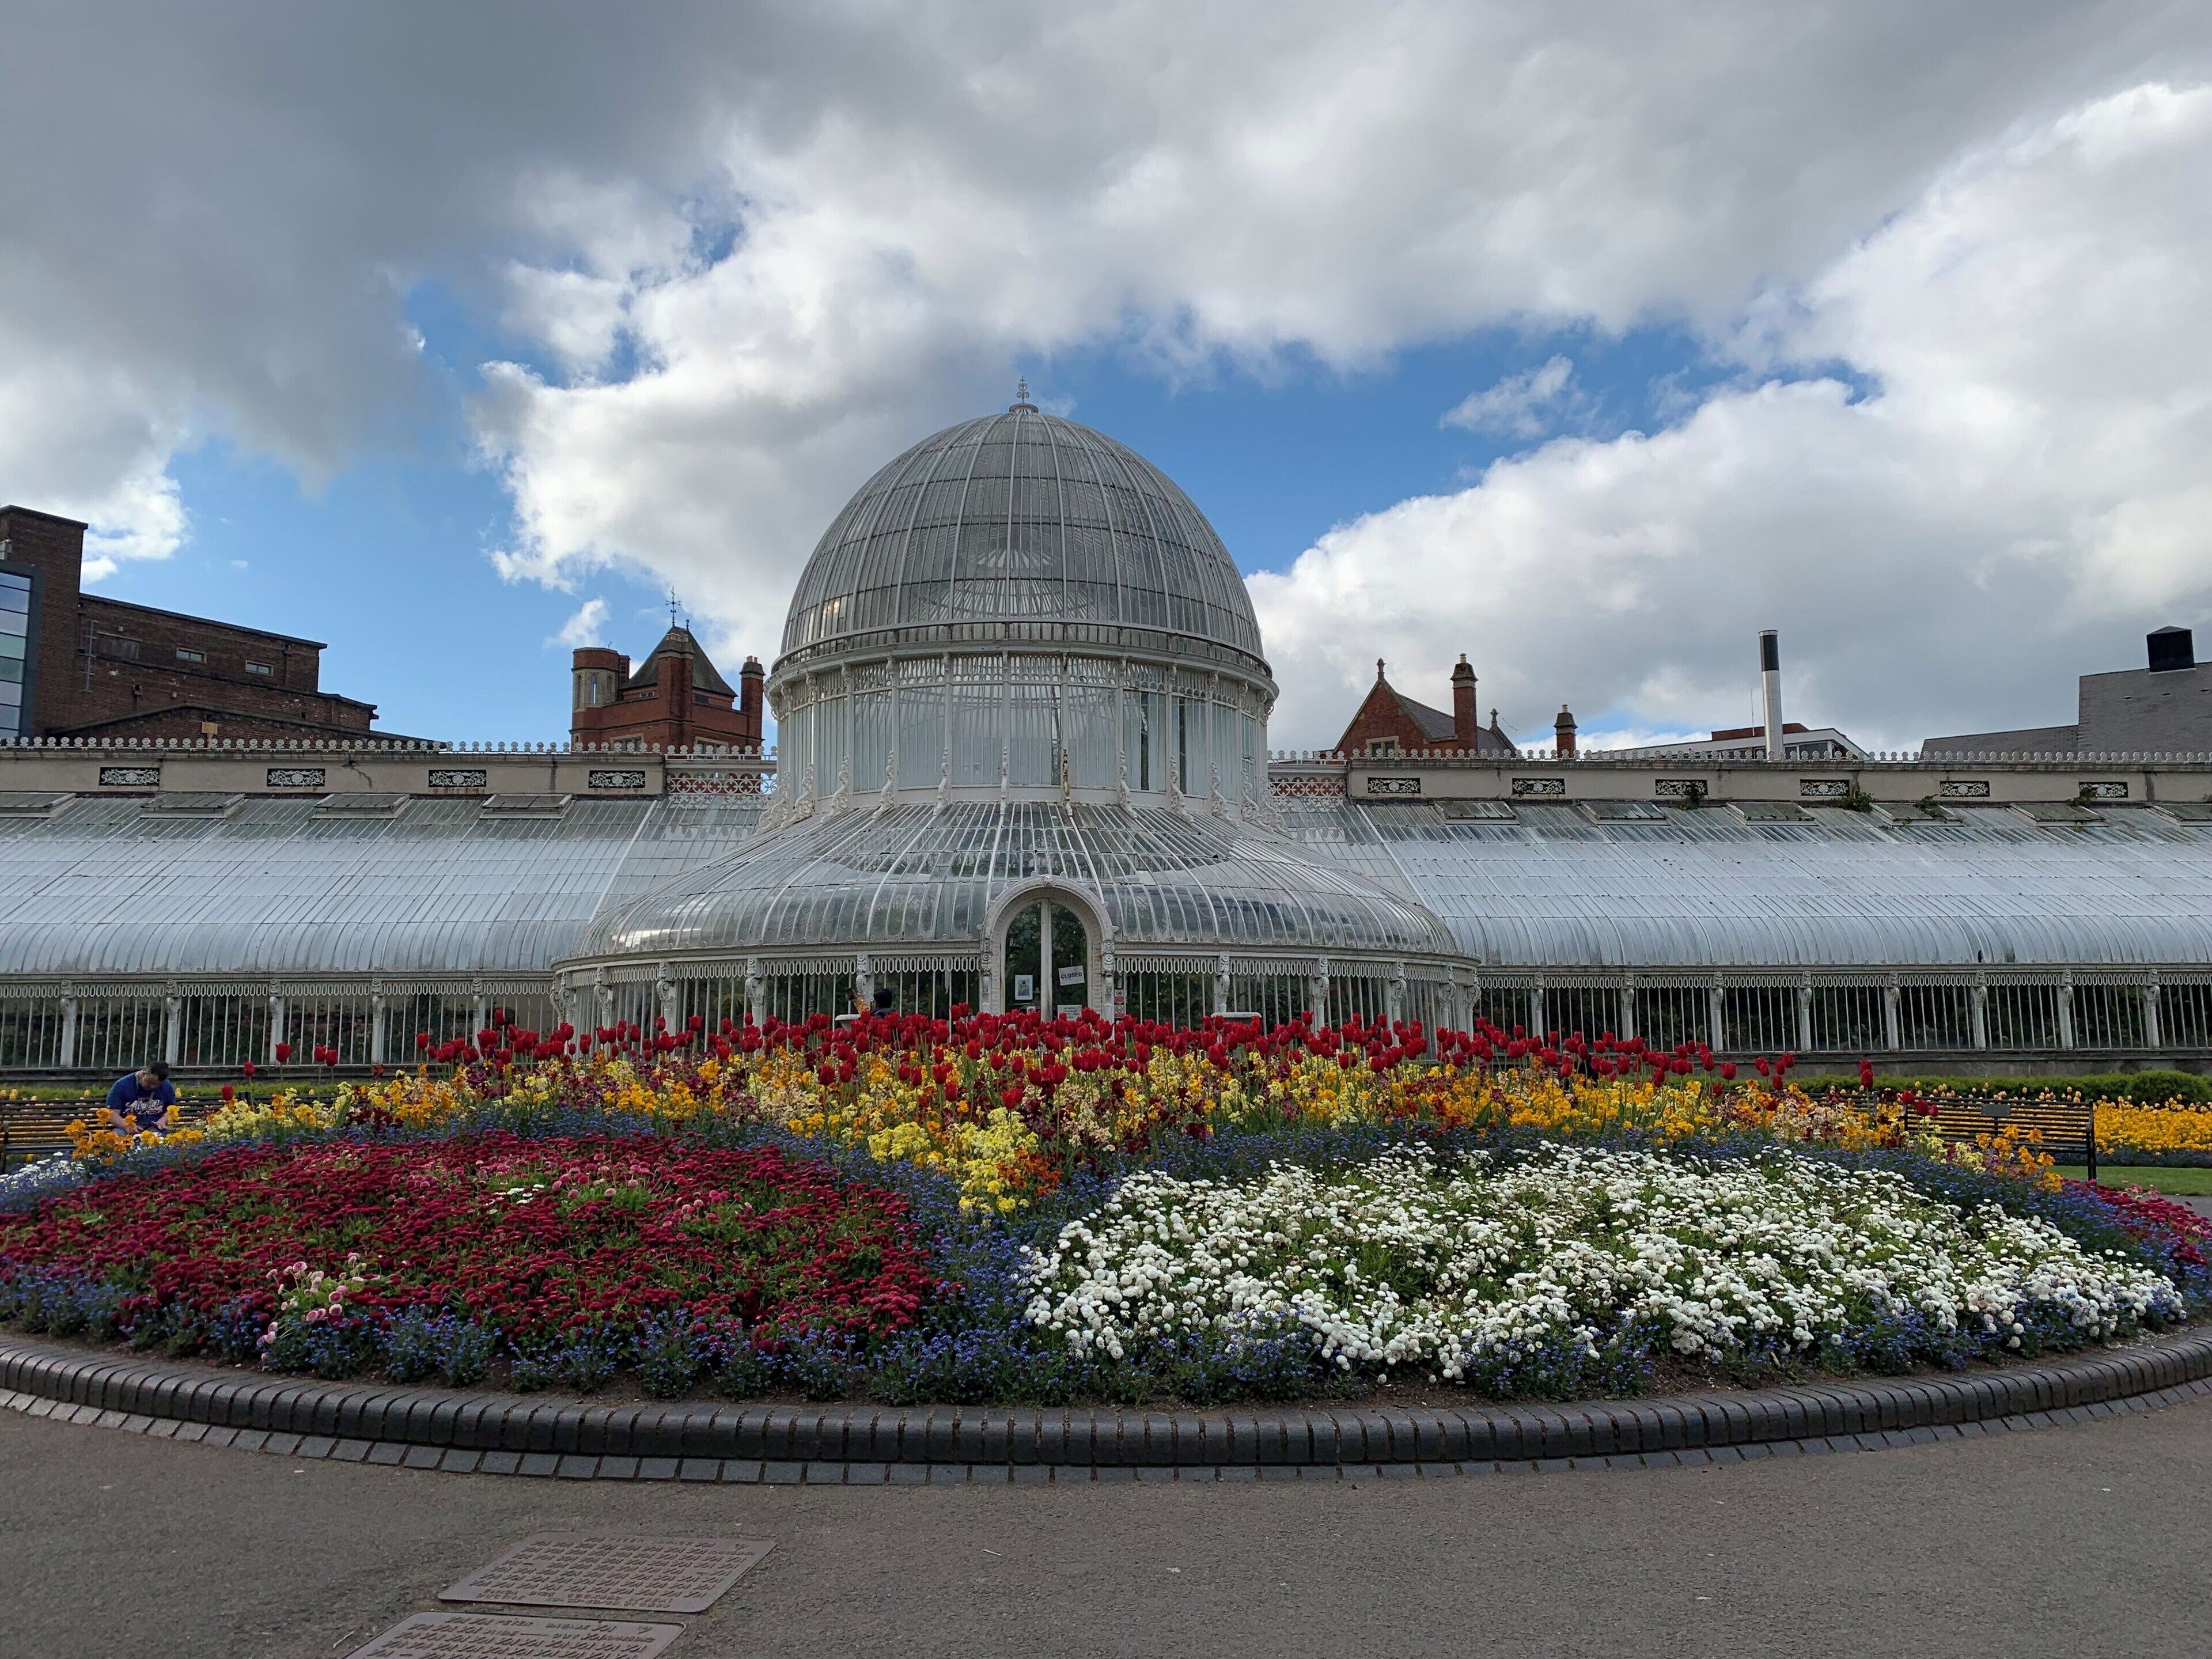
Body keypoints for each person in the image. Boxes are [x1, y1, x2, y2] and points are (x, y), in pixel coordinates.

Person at [104, 1062, 177, 1137]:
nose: (153, 1087)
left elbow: (172, 1110)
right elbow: (112, 1114)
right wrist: (126, 1126)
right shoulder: (122, 1085)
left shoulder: (167, 1086)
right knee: (117, 1135)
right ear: (144, 1073)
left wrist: (163, 1120)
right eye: (150, 1082)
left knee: (162, 1138)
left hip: (154, 1127)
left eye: (157, 1084)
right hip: (126, 1127)